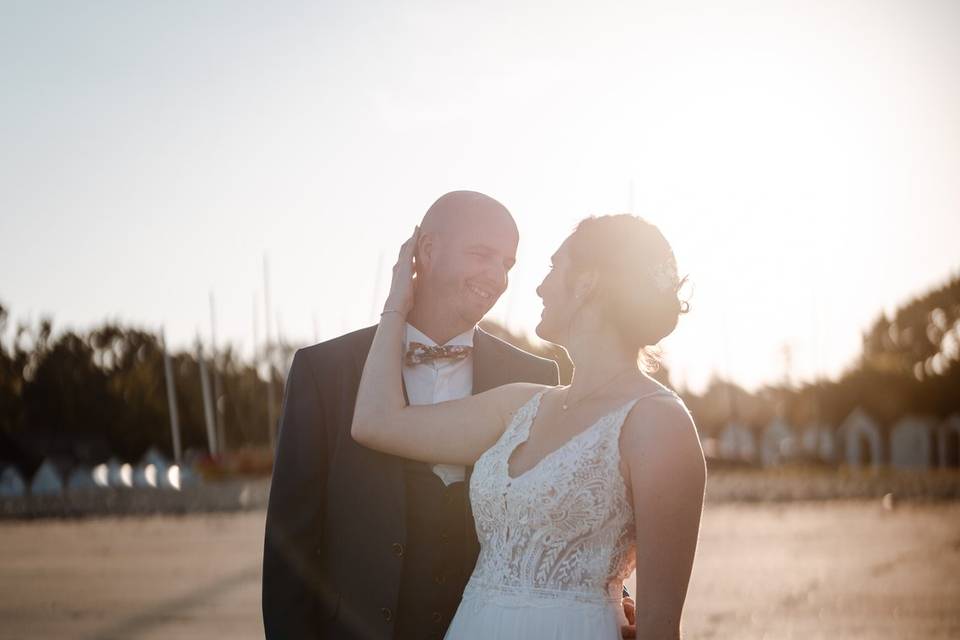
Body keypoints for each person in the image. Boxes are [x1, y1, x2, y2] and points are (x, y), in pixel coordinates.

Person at [352, 214, 707, 639]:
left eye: (555, 268)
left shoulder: (659, 422)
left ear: (587, 283)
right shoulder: (519, 405)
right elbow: (376, 422)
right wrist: (397, 304)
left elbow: (660, 627)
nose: (538, 287)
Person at [262, 191, 561, 639]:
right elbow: (292, 545)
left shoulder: (534, 375)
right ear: (427, 249)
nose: (497, 277)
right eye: (482, 254)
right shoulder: (323, 371)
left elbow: (555, 519)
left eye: (507, 264)